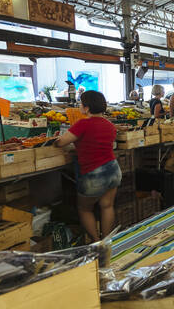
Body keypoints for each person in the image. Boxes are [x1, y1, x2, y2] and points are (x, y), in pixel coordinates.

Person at [54, 91, 121, 242]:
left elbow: (61, 143)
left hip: (93, 173)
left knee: (84, 209)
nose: (80, 106)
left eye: (81, 103)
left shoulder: (83, 124)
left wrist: (56, 140)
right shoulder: (110, 125)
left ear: (87, 107)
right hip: (112, 169)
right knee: (107, 206)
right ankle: (107, 242)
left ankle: (96, 243)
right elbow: (95, 143)